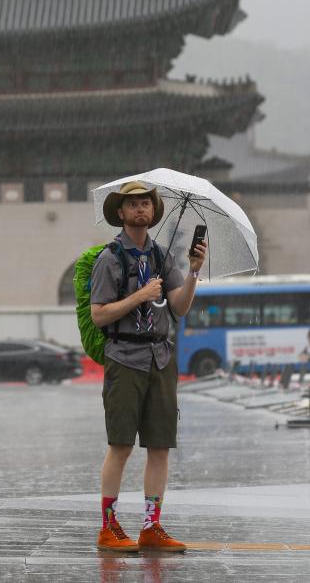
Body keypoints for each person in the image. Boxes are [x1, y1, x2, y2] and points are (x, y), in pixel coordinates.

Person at [89, 181, 207, 553]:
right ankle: (108, 526)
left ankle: (151, 527)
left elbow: (180, 306)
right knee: (121, 445)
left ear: (153, 211)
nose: (141, 209)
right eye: (133, 205)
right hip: (125, 358)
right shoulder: (110, 258)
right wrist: (139, 295)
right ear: (120, 214)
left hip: (161, 358)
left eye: (146, 203)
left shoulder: (161, 256)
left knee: (160, 446)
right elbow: (98, 314)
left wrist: (192, 272)